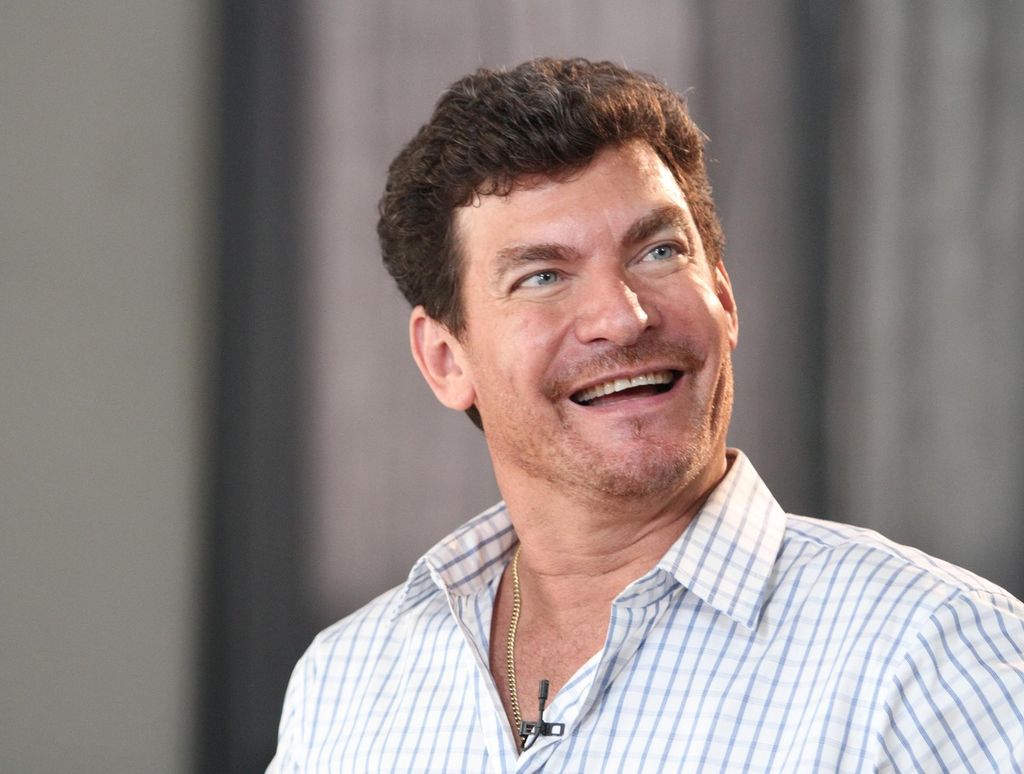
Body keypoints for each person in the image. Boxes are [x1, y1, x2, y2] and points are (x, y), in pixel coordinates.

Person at [269, 58, 1024, 772]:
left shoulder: (934, 654)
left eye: (659, 252)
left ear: (723, 298)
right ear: (445, 359)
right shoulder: (346, 682)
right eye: (543, 276)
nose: (622, 317)